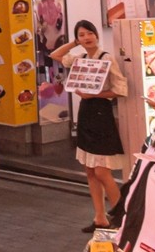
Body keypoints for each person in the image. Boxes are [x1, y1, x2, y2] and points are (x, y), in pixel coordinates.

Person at [54, 20, 129, 232]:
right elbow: (56, 56)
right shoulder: (80, 58)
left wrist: (95, 94)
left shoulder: (107, 58)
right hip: (85, 112)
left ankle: (121, 216)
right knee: (89, 170)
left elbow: (121, 89)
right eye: (82, 35)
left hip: (101, 113)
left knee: (102, 171)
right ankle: (100, 217)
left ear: (97, 35)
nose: (87, 38)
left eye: (90, 33)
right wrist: (73, 43)